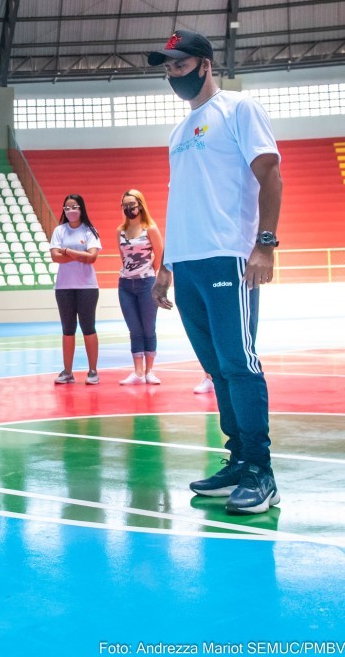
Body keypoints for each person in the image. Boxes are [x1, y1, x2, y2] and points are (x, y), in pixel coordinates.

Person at [148, 29, 283, 515]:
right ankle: (238, 458)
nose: (172, 75)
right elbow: (179, 199)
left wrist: (264, 246)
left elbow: (270, 173)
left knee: (239, 362)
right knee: (216, 367)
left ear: (205, 64)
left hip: (229, 256)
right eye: (167, 69)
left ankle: (261, 472)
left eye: (179, 66)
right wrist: (166, 268)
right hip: (187, 264)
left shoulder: (238, 109)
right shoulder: (179, 132)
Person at [49, 194, 102, 385]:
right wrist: (81, 255)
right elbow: (55, 257)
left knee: (88, 328)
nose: (71, 211)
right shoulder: (59, 231)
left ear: (81, 208)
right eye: (67, 208)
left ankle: (93, 371)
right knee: (68, 329)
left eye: (75, 207)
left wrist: (68, 251)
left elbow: (92, 257)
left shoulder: (89, 231)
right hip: (64, 287)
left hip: (87, 287)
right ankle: (67, 371)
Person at [116, 189, 164, 385]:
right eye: (125, 206)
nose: (129, 209)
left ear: (141, 205)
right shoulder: (120, 231)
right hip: (125, 284)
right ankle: (137, 372)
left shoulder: (150, 228)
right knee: (134, 329)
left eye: (132, 205)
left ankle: (149, 371)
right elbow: (122, 257)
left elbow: (159, 258)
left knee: (148, 328)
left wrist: (153, 280)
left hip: (146, 283)